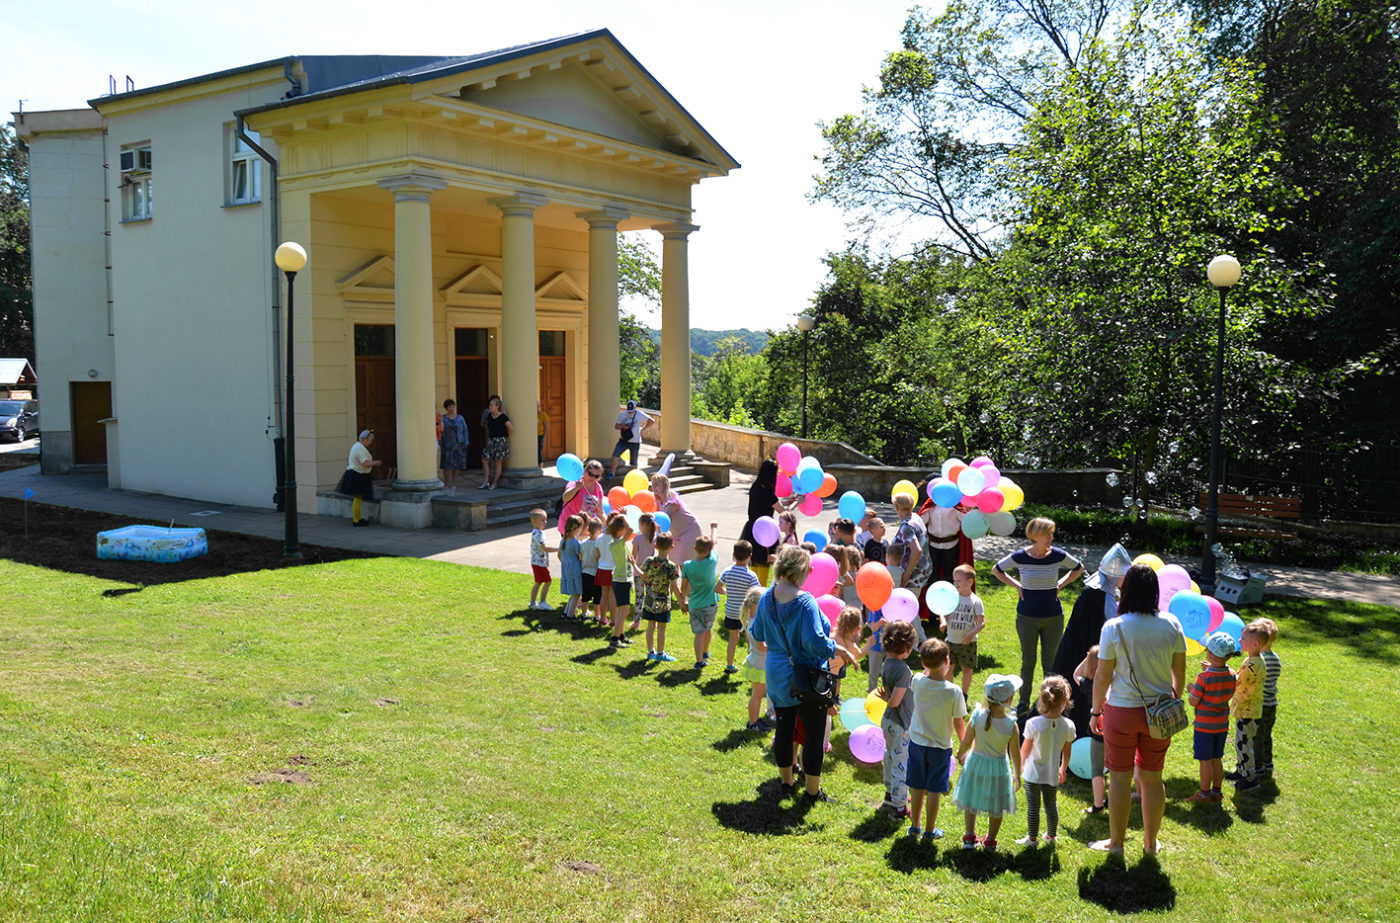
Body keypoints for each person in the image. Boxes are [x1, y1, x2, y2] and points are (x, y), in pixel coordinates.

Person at [1089, 563, 1187, 855]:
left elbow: (1103, 676)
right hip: (1159, 712)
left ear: (1126, 590)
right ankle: (1149, 843)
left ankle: (1116, 843)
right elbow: (1179, 674)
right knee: (1152, 778)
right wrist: (1171, 700)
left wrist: (1095, 711)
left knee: (1119, 778)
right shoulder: (1171, 624)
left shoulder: (1114, 627)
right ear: (1155, 591)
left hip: (1120, 711)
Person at [746, 545, 838, 801]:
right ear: (802, 571)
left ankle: (786, 783)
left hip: (776, 670)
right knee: (813, 734)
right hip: (806, 673)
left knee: (784, 727)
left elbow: (759, 634)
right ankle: (812, 791)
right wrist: (833, 645)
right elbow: (815, 641)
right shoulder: (805, 601)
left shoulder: (766, 597)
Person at [994, 517, 1084, 716]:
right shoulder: (1020, 556)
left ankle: (1050, 702)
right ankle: (1024, 703)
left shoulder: (1058, 555)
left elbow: (1078, 568)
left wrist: (1060, 584)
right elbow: (997, 570)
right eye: (1048, 534)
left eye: (1051, 533)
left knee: (1050, 663)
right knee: (1028, 661)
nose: (1051, 537)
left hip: (1053, 617)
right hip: (1026, 617)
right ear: (1036, 536)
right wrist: (1017, 585)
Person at [1050, 543, 1134, 737]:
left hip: (1074, 648)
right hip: (1086, 653)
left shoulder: (1094, 591)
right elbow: (1112, 625)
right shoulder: (1102, 596)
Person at [905, 638, 968, 841]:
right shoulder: (954, 691)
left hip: (916, 744)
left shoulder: (917, 681)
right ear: (947, 660)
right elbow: (959, 723)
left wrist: (927, 668)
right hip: (940, 748)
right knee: (933, 790)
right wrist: (965, 748)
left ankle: (915, 826)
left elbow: (924, 675)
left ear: (923, 663)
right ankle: (930, 831)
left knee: (916, 786)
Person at [952, 674, 1023, 851]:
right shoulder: (1010, 725)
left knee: (971, 799)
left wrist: (960, 754)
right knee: (996, 805)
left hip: (976, 764)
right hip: (999, 767)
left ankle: (969, 836)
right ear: (1009, 699)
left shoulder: (977, 716)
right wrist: (1018, 775)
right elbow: (1015, 753)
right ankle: (990, 840)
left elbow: (967, 742)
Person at [1018, 675, 1075, 846]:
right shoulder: (1068, 725)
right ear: (1065, 700)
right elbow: (1067, 751)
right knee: (1051, 805)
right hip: (1052, 773)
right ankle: (1051, 836)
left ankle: (1032, 839)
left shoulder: (1033, 724)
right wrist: (1063, 768)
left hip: (1032, 774)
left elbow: (1025, 750)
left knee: (1033, 807)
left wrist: (1018, 768)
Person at [1186, 631, 1238, 804]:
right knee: (1217, 759)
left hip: (1204, 727)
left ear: (1209, 653)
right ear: (1230, 655)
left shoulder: (1204, 678)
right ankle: (1217, 791)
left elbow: (1194, 701)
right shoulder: (1232, 675)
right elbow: (1221, 681)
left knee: (1205, 761)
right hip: (1222, 725)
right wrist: (1211, 668)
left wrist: (1191, 689)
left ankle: (1203, 794)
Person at [874, 619, 918, 820]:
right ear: (907, 648)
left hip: (889, 721)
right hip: (901, 723)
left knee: (890, 758)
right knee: (901, 764)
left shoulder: (887, 663)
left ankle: (890, 795)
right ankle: (899, 807)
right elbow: (895, 701)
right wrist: (889, 699)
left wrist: (888, 698)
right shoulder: (902, 670)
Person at [1228, 623, 1268, 792]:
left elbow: (1237, 681)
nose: (1239, 640)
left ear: (1255, 644)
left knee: (1244, 744)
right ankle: (1241, 770)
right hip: (1246, 710)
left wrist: (1220, 672)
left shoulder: (1253, 665)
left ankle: (1249, 778)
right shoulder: (1252, 661)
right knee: (1240, 742)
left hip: (1247, 712)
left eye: (1243, 638)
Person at [941, 563, 986, 699]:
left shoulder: (975, 602)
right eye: (954, 581)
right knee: (948, 668)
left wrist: (971, 634)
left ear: (970, 581)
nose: (955, 583)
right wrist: (943, 621)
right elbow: (943, 612)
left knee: (967, 669)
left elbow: (982, 623)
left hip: (968, 643)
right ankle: (951, 692)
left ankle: (964, 694)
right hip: (951, 640)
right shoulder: (952, 597)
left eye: (958, 581)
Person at [679, 526, 721, 669]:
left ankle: (699, 661)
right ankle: (704, 652)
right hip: (710, 604)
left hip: (694, 604)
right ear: (709, 551)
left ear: (694, 548)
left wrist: (683, 600)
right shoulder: (711, 561)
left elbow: (683, 586)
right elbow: (714, 542)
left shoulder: (687, 565)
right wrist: (714, 528)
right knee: (707, 630)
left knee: (698, 633)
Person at [718, 541, 762, 674]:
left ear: (733, 555)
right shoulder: (751, 575)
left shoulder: (727, 571)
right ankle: (751, 667)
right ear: (750, 556)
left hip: (730, 612)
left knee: (733, 639)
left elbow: (717, 588)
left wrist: (728, 592)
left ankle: (729, 666)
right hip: (746, 613)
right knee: (749, 639)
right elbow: (757, 593)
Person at [1074, 645, 1107, 814]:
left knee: (1097, 770)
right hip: (1118, 728)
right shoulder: (1115, 682)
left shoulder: (1089, 684)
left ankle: (1098, 805)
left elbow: (1076, 674)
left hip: (1099, 730)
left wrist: (1090, 658)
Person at [639, 532, 681, 662]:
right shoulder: (671, 566)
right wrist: (682, 601)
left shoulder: (649, 561)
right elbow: (674, 586)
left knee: (651, 626)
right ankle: (660, 654)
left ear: (656, 546)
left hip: (649, 600)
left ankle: (650, 651)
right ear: (672, 547)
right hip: (663, 603)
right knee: (661, 628)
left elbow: (643, 575)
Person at [740, 458, 782, 585]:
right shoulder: (769, 493)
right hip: (765, 533)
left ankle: (753, 592)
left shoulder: (755, 487)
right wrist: (797, 502)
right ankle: (760, 595)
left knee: (755, 564)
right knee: (764, 564)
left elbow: (771, 504)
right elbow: (784, 512)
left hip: (752, 529)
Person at [650, 473, 702, 567]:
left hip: (689, 530)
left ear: (665, 485)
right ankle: (679, 582)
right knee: (674, 563)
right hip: (675, 535)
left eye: (656, 484)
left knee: (684, 564)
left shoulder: (672, 502)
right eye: (653, 484)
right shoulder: (657, 500)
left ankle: (686, 582)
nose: (654, 487)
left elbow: (665, 520)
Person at [739, 587, 772, 732]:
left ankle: (756, 719)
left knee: (758, 694)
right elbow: (762, 647)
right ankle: (753, 723)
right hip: (760, 664)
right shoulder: (756, 624)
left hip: (758, 661)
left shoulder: (752, 621)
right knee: (757, 695)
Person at [1254, 617, 1282, 779]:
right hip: (1272, 704)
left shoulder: (1260, 660)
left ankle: (1257, 767)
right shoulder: (1275, 658)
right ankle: (1267, 763)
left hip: (1260, 705)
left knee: (1257, 736)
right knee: (1266, 734)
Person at [336, 429, 382, 526]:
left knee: (358, 499)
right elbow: (365, 463)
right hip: (358, 475)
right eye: (370, 440)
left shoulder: (357, 446)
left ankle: (358, 518)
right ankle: (356, 520)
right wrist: (376, 463)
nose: (371, 442)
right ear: (365, 439)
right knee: (358, 498)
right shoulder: (360, 449)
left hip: (357, 474)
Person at [606, 514, 636, 648]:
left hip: (621, 580)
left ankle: (621, 634)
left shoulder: (616, 544)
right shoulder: (618, 543)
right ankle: (614, 638)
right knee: (623, 612)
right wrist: (624, 517)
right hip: (621, 580)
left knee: (623, 610)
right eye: (623, 528)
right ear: (620, 531)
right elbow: (631, 530)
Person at [921, 501, 964, 587]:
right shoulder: (931, 504)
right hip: (933, 546)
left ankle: (949, 598)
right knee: (932, 575)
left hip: (951, 546)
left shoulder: (955, 505)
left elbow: (965, 520)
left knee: (949, 576)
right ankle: (932, 599)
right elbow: (921, 521)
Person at [559, 458, 605, 535]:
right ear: (585, 470)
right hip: (570, 527)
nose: (593, 478)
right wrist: (576, 488)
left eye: (597, 476)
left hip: (586, 530)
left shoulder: (598, 487)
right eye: (591, 474)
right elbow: (565, 498)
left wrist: (610, 523)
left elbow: (600, 512)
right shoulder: (575, 482)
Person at [609, 399, 653, 477]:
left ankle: (634, 477)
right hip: (623, 440)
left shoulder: (639, 414)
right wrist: (623, 426)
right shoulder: (622, 414)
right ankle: (612, 473)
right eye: (629, 410)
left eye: (631, 411)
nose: (630, 412)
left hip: (635, 441)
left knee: (634, 462)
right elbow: (616, 426)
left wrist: (643, 429)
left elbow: (651, 421)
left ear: (635, 408)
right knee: (615, 455)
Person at [527, 509, 558, 610]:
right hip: (539, 563)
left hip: (536, 562)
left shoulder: (536, 532)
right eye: (543, 520)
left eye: (545, 520)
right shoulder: (539, 535)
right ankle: (542, 602)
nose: (546, 522)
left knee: (539, 582)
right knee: (548, 581)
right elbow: (544, 548)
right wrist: (558, 549)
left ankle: (533, 602)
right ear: (535, 521)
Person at [480, 397, 513, 490]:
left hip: (500, 441)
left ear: (497, 406)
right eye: (489, 405)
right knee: (484, 459)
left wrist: (505, 438)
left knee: (498, 461)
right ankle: (485, 481)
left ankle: (494, 483)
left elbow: (511, 428)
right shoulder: (489, 416)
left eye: (492, 405)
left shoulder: (503, 417)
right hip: (491, 440)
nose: (490, 407)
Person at [438, 399, 470, 489]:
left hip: (459, 444)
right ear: (446, 408)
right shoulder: (443, 418)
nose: (452, 409)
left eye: (453, 406)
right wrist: (440, 441)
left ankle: (453, 484)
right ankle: (446, 483)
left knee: (457, 465)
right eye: (450, 407)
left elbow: (465, 430)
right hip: (447, 445)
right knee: (447, 466)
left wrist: (466, 441)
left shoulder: (460, 418)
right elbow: (440, 430)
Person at [559, 514, 584, 619]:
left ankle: (566, 612)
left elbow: (559, 555)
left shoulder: (563, 540)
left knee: (573, 593)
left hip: (566, 568)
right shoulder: (575, 542)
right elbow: (580, 557)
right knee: (577, 593)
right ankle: (569, 615)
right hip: (575, 569)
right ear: (577, 529)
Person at [580, 517, 604, 625]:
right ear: (600, 531)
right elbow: (599, 558)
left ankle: (584, 613)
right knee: (597, 596)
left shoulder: (583, 543)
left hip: (585, 572)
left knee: (585, 595)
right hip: (596, 573)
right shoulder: (598, 545)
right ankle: (597, 615)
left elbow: (580, 557)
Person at [478, 394, 501, 485]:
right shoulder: (487, 412)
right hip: (490, 438)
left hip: (497, 440)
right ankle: (487, 480)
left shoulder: (501, 414)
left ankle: (492, 480)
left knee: (495, 460)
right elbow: (482, 423)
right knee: (487, 458)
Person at [536, 400, 549, 465]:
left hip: (539, 436)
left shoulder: (543, 415)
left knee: (539, 452)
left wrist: (544, 437)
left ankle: (540, 468)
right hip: (532, 436)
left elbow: (546, 426)